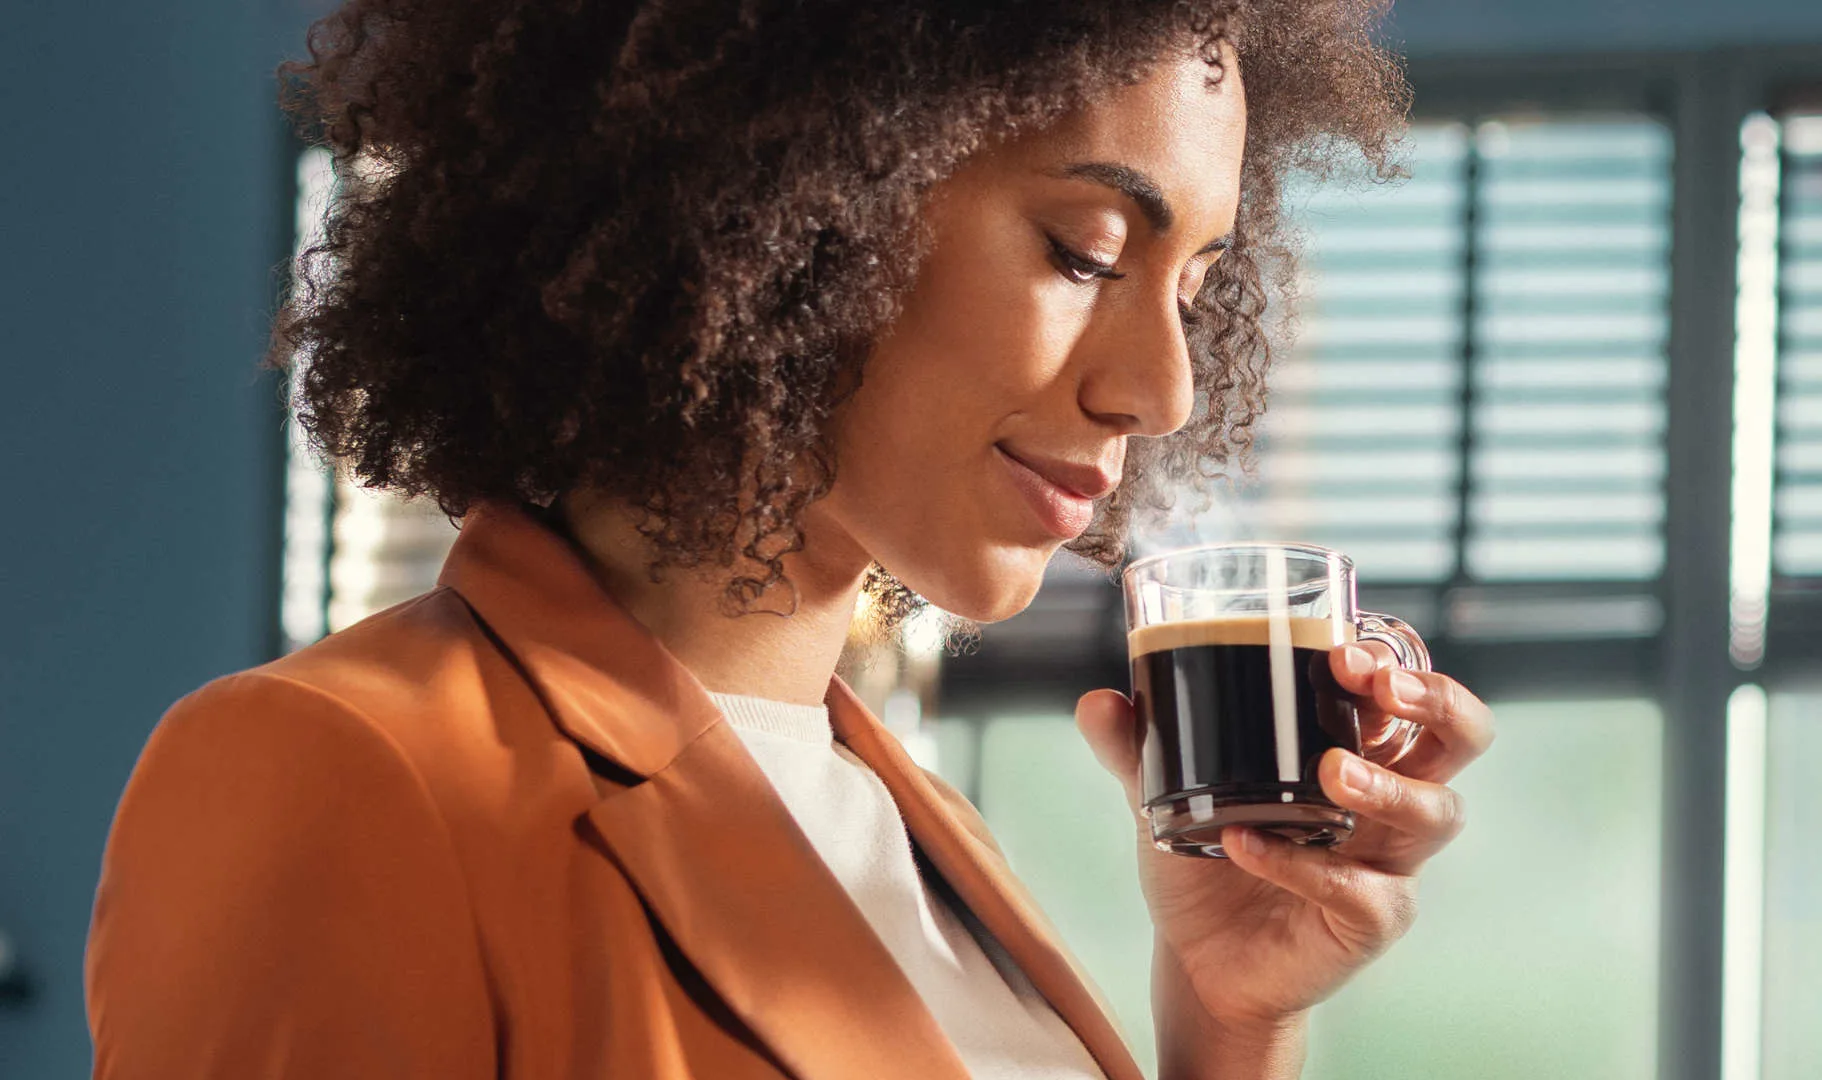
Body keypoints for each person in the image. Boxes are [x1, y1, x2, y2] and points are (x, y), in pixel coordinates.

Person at [85, 1, 1495, 1077]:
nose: (1164, 388)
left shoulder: (913, 826)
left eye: (1195, 286)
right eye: (1082, 252)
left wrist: (1231, 1019)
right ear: (799, 197)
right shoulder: (342, 776)